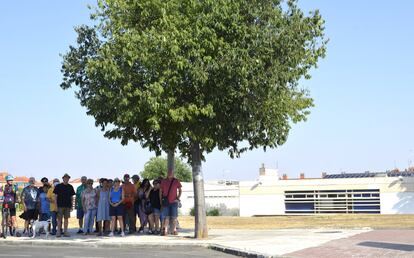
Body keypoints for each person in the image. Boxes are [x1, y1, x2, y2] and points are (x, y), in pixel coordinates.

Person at [160, 171, 182, 236]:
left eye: (171, 173)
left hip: (174, 202)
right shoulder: (163, 181)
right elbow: (160, 191)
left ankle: (174, 230)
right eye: (169, 173)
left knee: (174, 217)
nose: (169, 174)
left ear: (173, 174)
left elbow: (180, 190)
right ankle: (166, 230)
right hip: (166, 202)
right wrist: (161, 200)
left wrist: (177, 197)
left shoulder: (176, 181)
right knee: (166, 217)